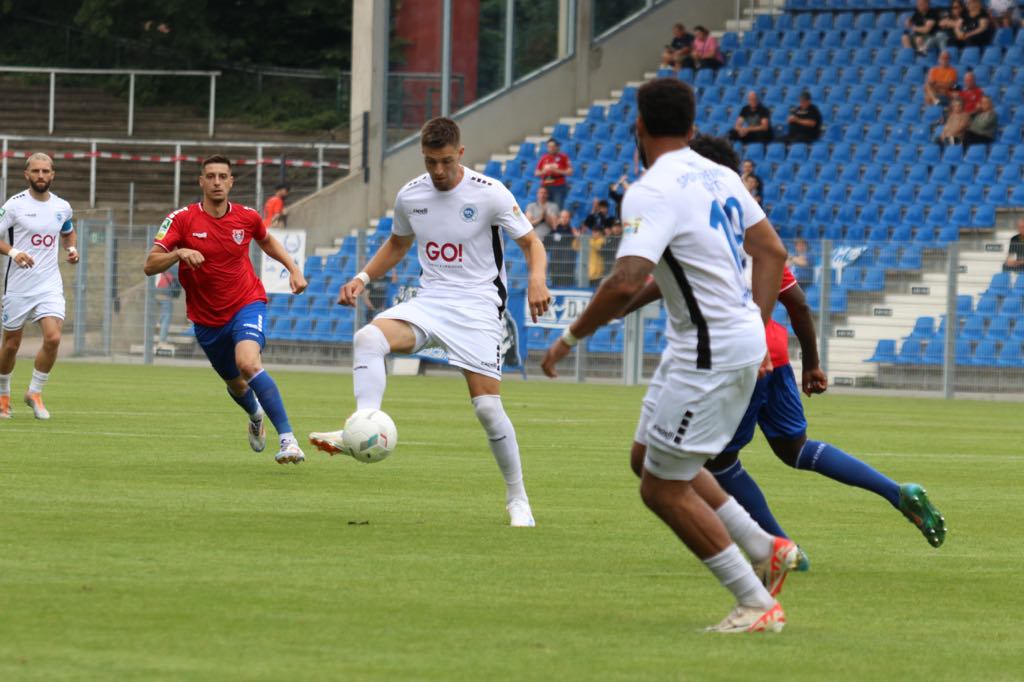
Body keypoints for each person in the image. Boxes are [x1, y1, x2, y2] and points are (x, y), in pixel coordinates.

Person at [541, 79, 796, 634]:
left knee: (660, 487)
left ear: (639, 125)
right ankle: (766, 547)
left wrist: (570, 338)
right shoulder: (721, 173)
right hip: (721, 342)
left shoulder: (651, 189)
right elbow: (772, 251)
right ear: (691, 125)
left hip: (708, 351)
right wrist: (754, 323)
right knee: (647, 457)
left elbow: (624, 279)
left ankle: (755, 601)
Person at [679, 135, 947, 556]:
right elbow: (799, 306)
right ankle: (897, 492)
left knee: (717, 463)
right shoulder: (754, 228)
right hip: (779, 353)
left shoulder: (704, 229)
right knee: (795, 449)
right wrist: (812, 365)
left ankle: (783, 549)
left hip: (740, 354)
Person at [307, 117, 551, 527]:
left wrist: (538, 280)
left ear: (460, 153)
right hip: (431, 302)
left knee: (488, 410)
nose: (437, 171)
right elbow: (398, 243)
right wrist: (362, 278)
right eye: (429, 162)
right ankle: (363, 424)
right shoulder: (410, 195)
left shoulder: (489, 194)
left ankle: (518, 498)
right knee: (369, 338)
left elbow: (531, 242)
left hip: (478, 308)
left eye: (444, 161)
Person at [143, 155, 308, 464]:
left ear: (231, 182)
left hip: (247, 302)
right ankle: (255, 413)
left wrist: (293, 269)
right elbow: (149, 265)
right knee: (235, 384)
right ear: (201, 182)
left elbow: (266, 240)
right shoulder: (180, 219)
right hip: (206, 320)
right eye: (211, 176)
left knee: (248, 362)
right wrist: (178, 252)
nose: (217, 181)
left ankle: (288, 440)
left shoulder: (246, 217)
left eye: (223, 176)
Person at [0, 153, 79, 420]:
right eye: (36, 171)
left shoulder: (62, 206)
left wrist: (72, 248)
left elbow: (67, 230)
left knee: (54, 337)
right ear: (27, 174)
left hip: (49, 284)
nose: (41, 176)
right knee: (11, 345)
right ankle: (3, 395)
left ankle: (34, 392)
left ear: (53, 174)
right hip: (19, 287)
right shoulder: (14, 205)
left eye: (46, 171)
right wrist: (13, 253)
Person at [534, 138, 573, 209]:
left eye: (553, 146)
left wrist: (557, 170)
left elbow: (570, 172)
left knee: (557, 207)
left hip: (558, 186)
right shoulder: (544, 157)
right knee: (543, 207)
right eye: (549, 147)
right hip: (545, 185)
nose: (551, 148)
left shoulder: (563, 157)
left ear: (557, 147)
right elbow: (536, 173)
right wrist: (544, 171)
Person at [545, 210, 580, 288]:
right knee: (555, 284)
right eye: (562, 217)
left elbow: (577, 246)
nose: (564, 219)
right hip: (555, 263)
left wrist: (577, 237)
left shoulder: (572, 231)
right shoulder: (554, 230)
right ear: (559, 218)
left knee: (568, 285)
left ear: (569, 219)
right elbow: (546, 243)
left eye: (566, 217)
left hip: (568, 264)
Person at [154, 266, 180, 344]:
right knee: (167, 317)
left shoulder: (160, 264)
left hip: (155, 293)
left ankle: (159, 323)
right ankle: (162, 340)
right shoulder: (174, 268)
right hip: (166, 294)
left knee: (164, 311)